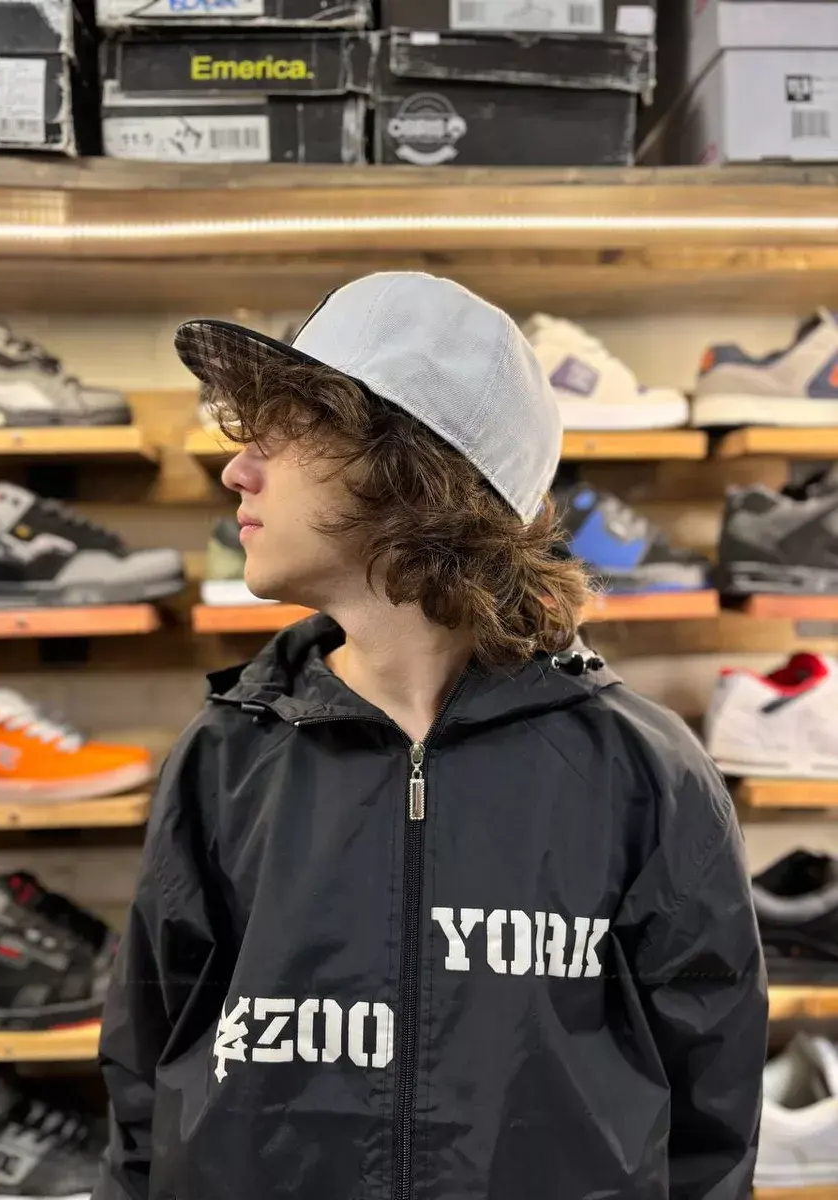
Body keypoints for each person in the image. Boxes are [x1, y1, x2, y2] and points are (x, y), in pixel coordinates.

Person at [93, 273, 767, 1200]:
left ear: (410, 466)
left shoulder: (643, 775)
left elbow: (710, 1129)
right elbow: (143, 1091)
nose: (236, 471)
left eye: (283, 432)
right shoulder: (224, 758)